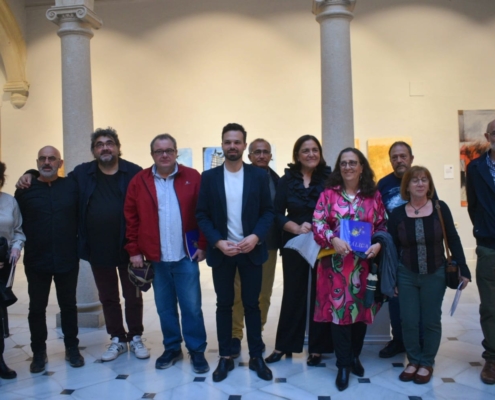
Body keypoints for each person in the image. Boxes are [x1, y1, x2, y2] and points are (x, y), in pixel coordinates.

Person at [17, 128, 148, 362]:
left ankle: (136, 336)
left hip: (130, 248)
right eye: (99, 144)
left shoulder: (134, 172)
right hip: (98, 249)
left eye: (109, 143)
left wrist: (140, 246)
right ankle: (117, 338)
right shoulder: (82, 173)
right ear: (94, 150)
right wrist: (29, 173)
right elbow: (50, 176)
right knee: (108, 297)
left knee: (133, 296)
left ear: (117, 147)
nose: (105, 147)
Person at [124, 133, 209, 374]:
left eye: (169, 150)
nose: (164, 155)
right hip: (156, 258)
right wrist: (134, 250)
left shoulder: (192, 177)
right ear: (152, 154)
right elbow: (131, 217)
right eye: (159, 151)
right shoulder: (139, 181)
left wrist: (202, 243)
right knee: (164, 307)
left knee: (192, 307)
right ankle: (172, 347)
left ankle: (196, 350)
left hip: (185, 256)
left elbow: (203, 212)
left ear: (176, 153)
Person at [196, 123, 274, 382]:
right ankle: (226, 357)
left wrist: (255, 236)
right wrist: (217, 242)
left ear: (244, 145)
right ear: (222, 144)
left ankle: (256, 356)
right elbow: (202, 215)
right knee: (224, 305)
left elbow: (268, 212)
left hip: (251, 250)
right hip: (223, 252)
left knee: (253, 305)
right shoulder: (209, 178)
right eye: (228, 142)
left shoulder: (259, 176)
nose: (232, 146)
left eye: (237, 142)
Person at [312, 147, 386, 391]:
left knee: (361, 312)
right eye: (343, 163)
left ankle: (355, 355)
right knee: (339, 314)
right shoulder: (328, 195)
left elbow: (382, 224)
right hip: (335, 267)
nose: (348, 167)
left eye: (353, 163)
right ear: (338, 167)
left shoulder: (373, 196)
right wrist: (332, 238)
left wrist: (377, 244)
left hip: (364, 266)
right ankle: (343, 365)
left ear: (362, 167)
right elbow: (318, 222)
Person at [388, 166, 470, 384]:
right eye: (415, 180)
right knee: (409, 320)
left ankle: (426, 362)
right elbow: (392, 249)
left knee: (432, 320)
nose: (420, 184)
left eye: (424, 179)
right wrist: (391, 279)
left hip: (435, 273)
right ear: (407, 186)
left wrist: (464, 267)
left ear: (430, 184)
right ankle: (413, 360)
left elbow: (452, 238)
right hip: (405, 274)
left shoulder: (440, 208)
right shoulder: (397, 214)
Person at [265, 135, 332, 367]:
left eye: (315, 150)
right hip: (294, 243)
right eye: (306, 150)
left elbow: (338, 210)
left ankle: (317, 348)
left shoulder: (330, 179)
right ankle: (284, 345)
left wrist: (320, 227)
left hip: (323, 244)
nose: (311, 154)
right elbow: (274, 213)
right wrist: (293, 226)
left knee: (320, 294)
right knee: (293, 293)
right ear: (297, 155)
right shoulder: (286, 181)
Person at [15, 146, 84, 373]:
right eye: (43, 159)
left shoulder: (71, 187)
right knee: (37, 308)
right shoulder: (25, 190)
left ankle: (72, 349)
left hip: (67, 258)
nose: (47, 162)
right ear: (37, 163)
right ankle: (38, 352)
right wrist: (27, 174)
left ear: (60, 163)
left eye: (51, 158)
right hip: (36, 260)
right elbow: (17, 224)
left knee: (69, 306)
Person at [231, 138, 280, 357]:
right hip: (238, 244)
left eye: (265, 152)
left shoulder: (278, 182)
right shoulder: (237, 176)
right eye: (257, 152)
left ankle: (256, 333)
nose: (261, 155)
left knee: (263, 293)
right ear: (249, 155)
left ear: (271, 156)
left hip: (267, 245)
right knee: (237, 293)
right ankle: (235, 335)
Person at [376, 141, 413, 358]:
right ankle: (398, 340)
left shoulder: (421, 179)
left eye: (403, 156)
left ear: (411, 158)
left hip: (418, 250)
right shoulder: (383, 184)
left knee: (417, 301)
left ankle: (418, 343)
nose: (399, 160)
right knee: (395, 298)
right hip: (392, 251)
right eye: (394, 157)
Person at [466, 120, 495, 385]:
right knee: (490, 306)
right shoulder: (475, 168)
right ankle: (493, 358)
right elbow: (473, 206)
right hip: (489, 246)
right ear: (487, 136)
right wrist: (484, 229)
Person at [0, 162, 25, 379]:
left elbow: (18, 231)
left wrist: (16, 247)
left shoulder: (9, 201)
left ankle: (0, 360)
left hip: (2, 264)